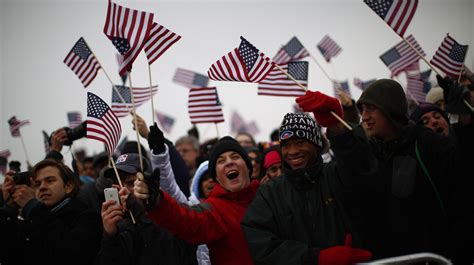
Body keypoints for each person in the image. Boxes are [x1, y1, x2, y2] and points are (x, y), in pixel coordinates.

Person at [241, 90, 375, 265]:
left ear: (316, 144)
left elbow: (362, 168)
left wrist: (336, 127)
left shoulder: (337, 175)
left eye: (300, 142)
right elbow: (261, 245)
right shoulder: (270, 192)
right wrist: (316, 259)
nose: (293, 151)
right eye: (287, 145)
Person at [355, 79, 461, 260]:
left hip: (437, 258)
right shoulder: (370, 156)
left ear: (390, 108)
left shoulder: (427, 143)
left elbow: (461, 178)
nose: (364, 117)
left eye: (370, 108)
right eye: (362, 110)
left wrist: (462, 120)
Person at [133, 136, 259, 265]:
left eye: (235, 157)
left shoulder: (268, 197)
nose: (229, 162)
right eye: (221, 161)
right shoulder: (214, 210)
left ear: (249, 167)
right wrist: (158, 201)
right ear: (216, 177)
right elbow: (184, 218)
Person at [94, 153, 198, 265]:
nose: (122, 190)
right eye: (118, 182)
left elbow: (166, 253)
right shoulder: (119, 225)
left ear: (148, 183)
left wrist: (140, 211)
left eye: (130, 183)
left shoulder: (171, 214)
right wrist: (109, 236)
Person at [0, 159, 102, 265]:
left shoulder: (88, 217)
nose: (42, 187)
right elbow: (8, 255)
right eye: (37, 184)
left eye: (50, 181)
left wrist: (34, 208)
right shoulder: (29, 222)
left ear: (68, 187)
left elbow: (72, 254)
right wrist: (8, 210)